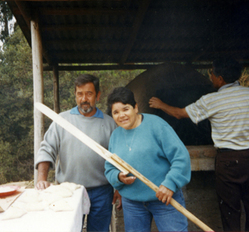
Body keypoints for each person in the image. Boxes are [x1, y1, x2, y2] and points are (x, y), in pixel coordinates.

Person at [149, 58, 249, 231]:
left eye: (211, 73)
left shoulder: (212, 100)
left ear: (220, 78)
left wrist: (160, 104)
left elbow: (180, 114)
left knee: (230, 210)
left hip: (228, 161)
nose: (210, 77)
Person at [35, 74, 119, 232]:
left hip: (102, 192)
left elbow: (118, 159)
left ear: (98, 95)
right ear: (75, 95)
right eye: (80, 94)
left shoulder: (109, 123)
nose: (84, 99)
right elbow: (47, 149)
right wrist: (41, 180)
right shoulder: (61, 120)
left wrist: (119, 189)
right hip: (68, 191)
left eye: (89, 93)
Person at [105, 87, 191, 232]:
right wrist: (118, 177)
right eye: (116, 112)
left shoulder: (157, 125)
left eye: (125, 109)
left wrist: (170, 184)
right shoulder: (115, 136)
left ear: (136, 107)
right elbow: (109, 168)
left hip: (165, 200)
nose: (122, 115)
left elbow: (181, 157)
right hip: (133, 203)